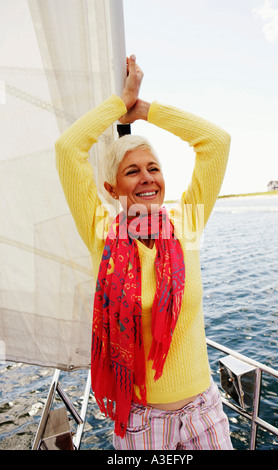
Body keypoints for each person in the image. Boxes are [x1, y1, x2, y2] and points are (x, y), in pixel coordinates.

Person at [55, 55, 233, 450]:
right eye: (132, 171)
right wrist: (119, 103)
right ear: (112, 188)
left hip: (204, 412)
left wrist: (146, 110)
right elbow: (68, 148)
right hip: (143, 423)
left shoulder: (187, 224)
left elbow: (216, 143)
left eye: (153, 168)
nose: (147, 178)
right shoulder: (102, 234)